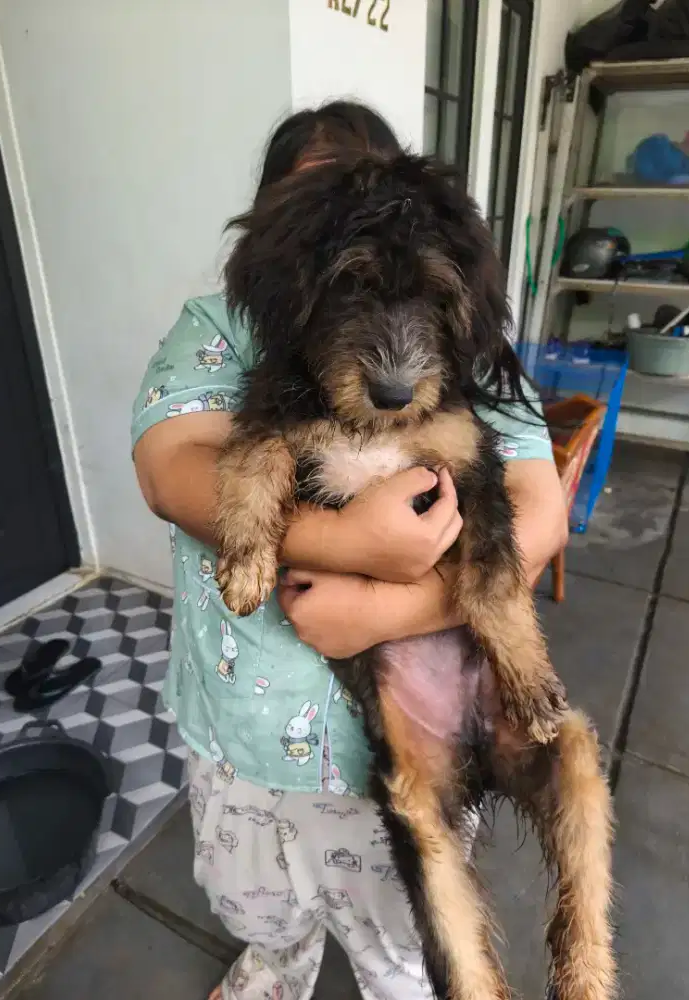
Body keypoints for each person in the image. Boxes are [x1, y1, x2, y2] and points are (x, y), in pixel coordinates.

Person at [131, 101, 568, 1000]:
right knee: (254, 897)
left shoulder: (463, 343)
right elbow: (171, 468)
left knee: (405, 928)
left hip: (417, 727)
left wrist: (395, 603)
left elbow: (538, 510)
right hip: (245, 729)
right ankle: (275, 962)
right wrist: (343, 539)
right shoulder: (220, 326)